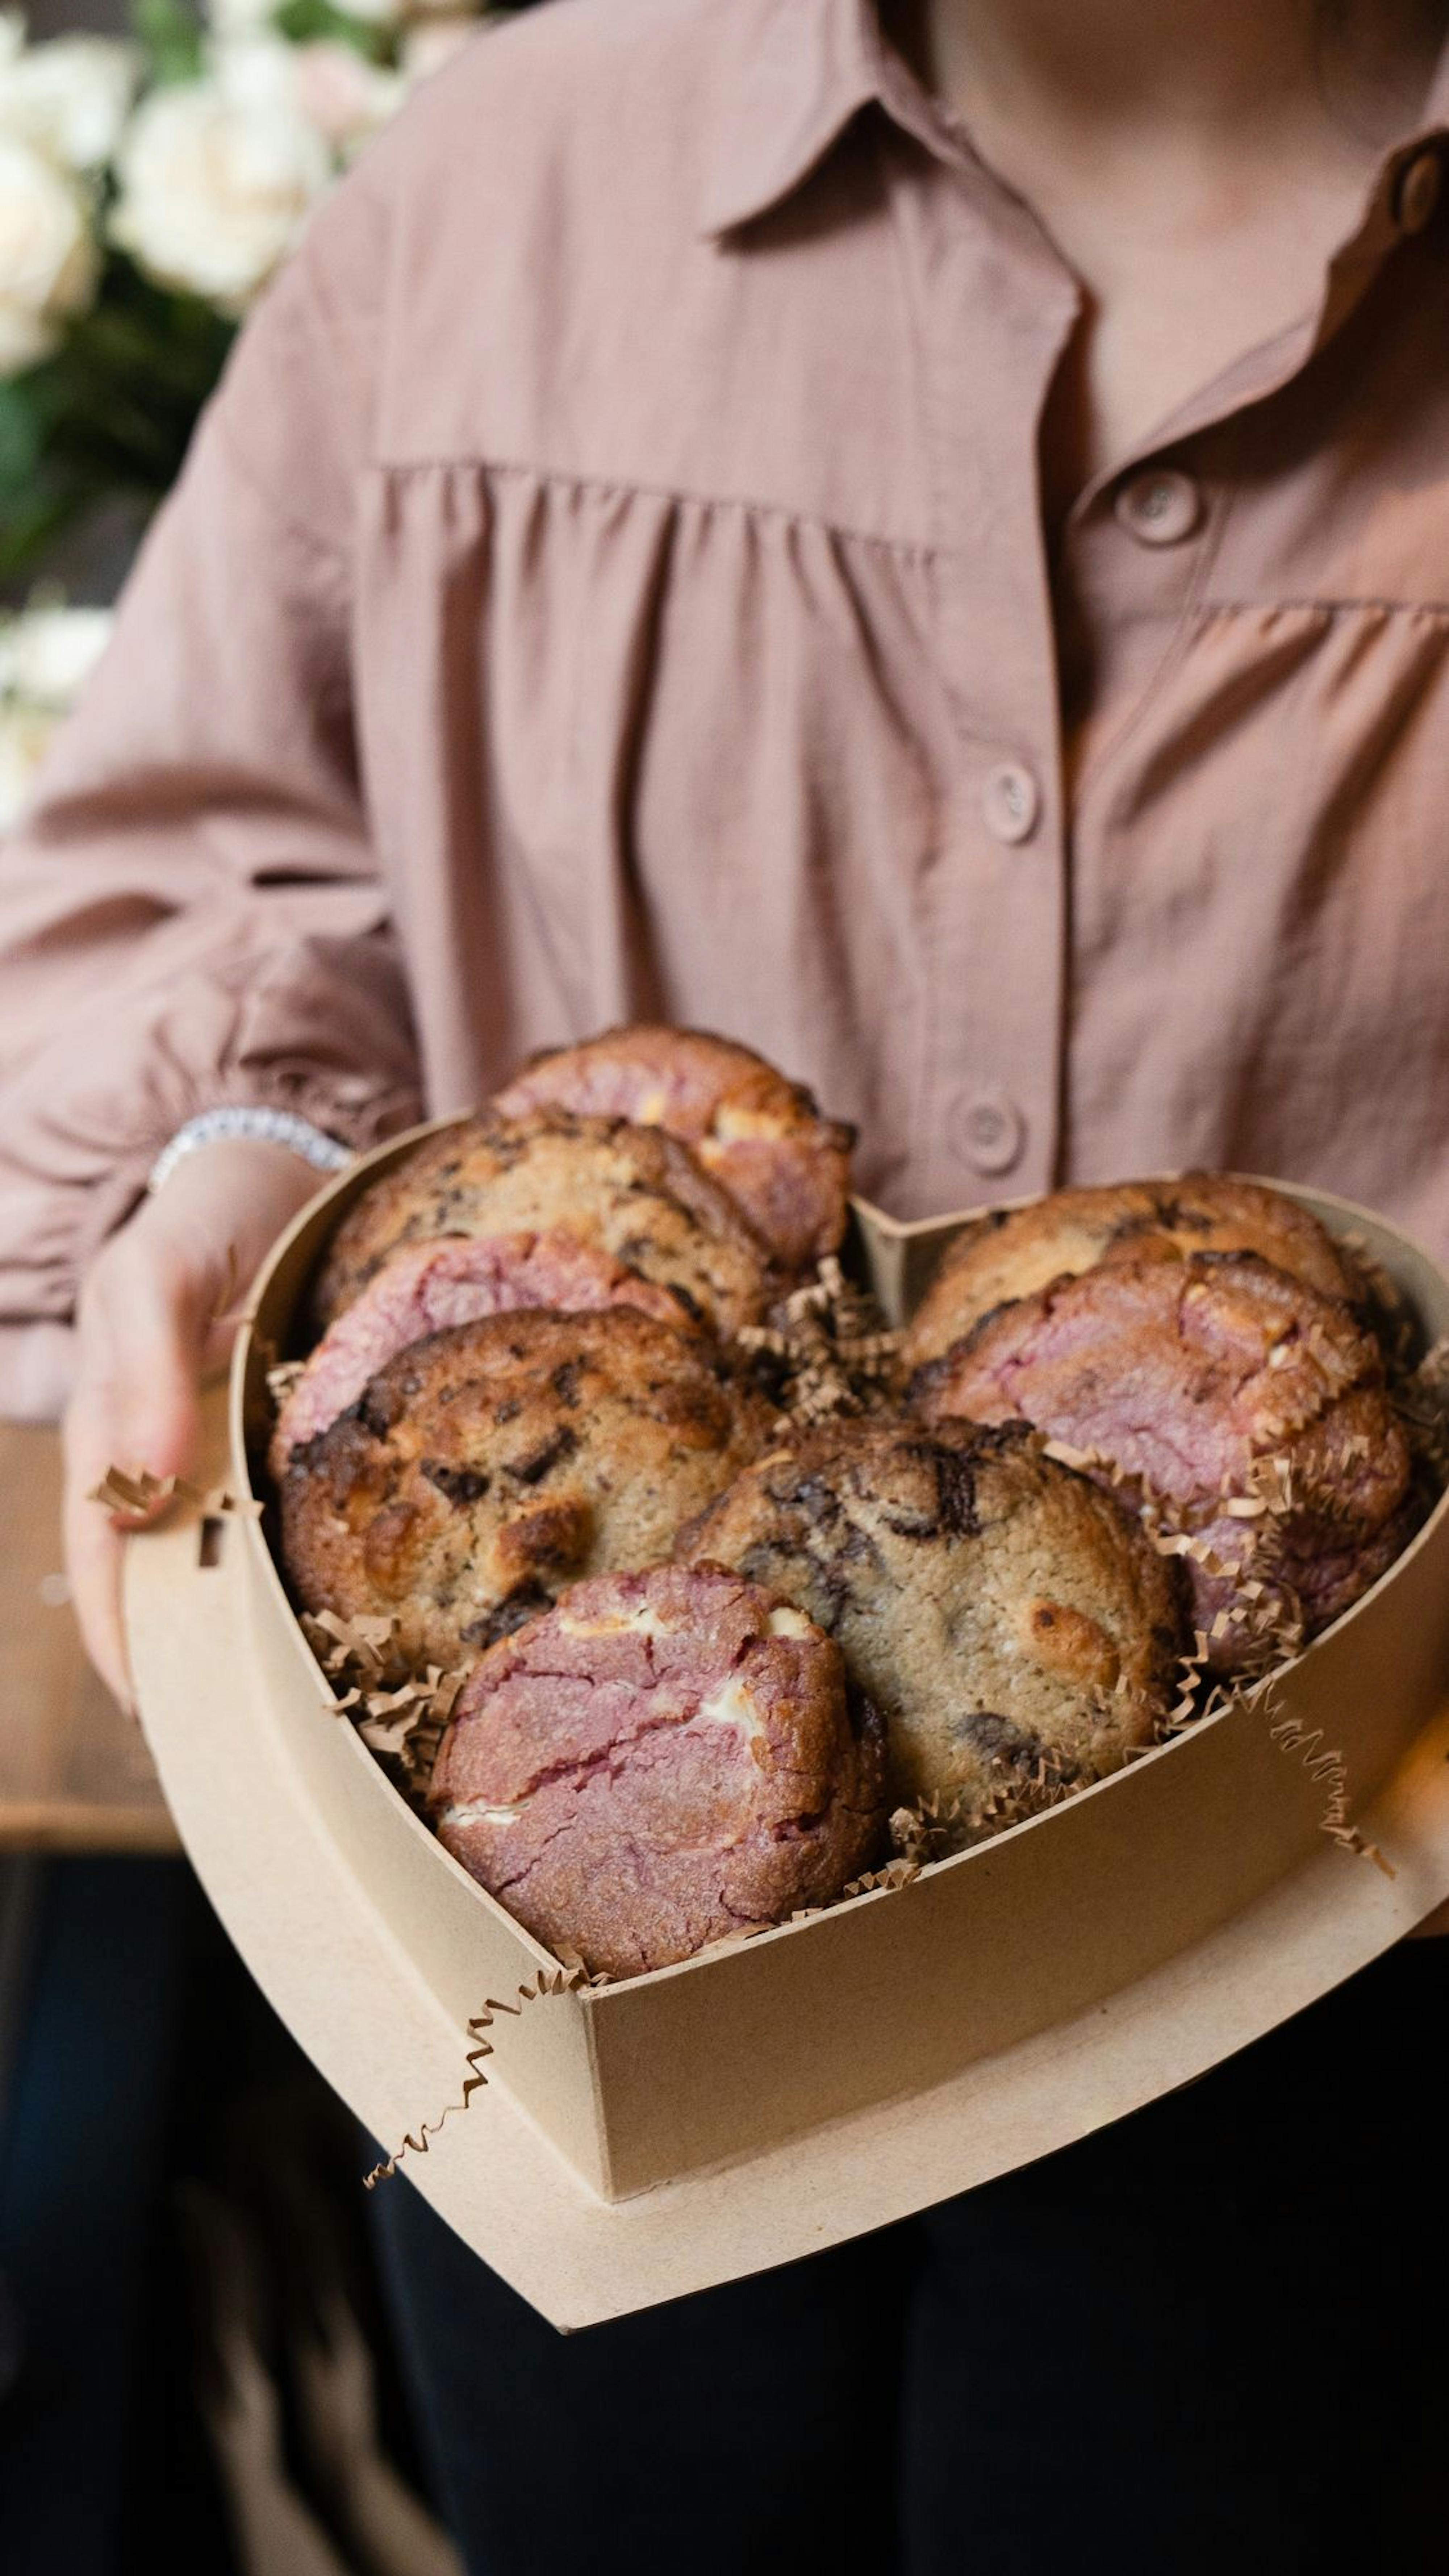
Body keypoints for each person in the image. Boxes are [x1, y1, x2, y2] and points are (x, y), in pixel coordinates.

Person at [3, 0, 1448, 2565]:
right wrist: (245, 1161)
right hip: (568, 1937)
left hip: (1333, 1932)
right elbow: (197, 849)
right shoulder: (507, 189)